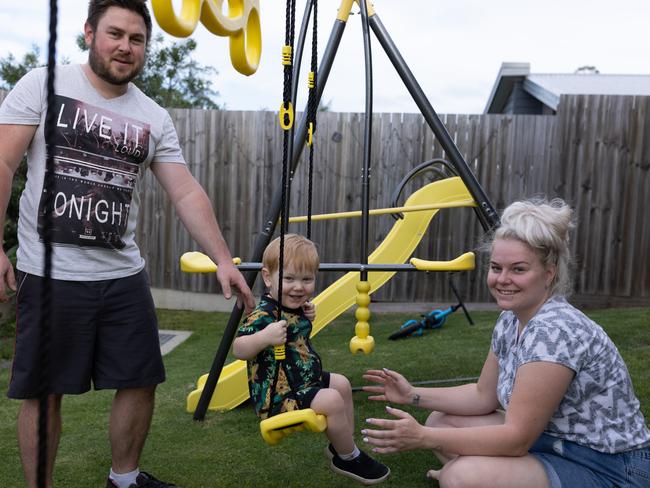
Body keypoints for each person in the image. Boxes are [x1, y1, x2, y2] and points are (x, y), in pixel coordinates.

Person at [0, 1, 255, 487]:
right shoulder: (43, 85)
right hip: (52, 274)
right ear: (89, 33)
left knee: (140, 378)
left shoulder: (152, 115)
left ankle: (125, 479)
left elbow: (183, 189)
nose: (125, 47)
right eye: (115, 34)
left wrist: (223, 258)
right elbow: (3, 163)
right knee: (44, 392)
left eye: (136, 40)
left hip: (122, 274)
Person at [361, 198, 650, 487]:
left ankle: (474, 475)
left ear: (549, 273)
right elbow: (482, 395)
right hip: (552, 441)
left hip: (611, 467)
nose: (503, 279)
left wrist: (423, 438)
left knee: (460, 477)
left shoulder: (555, 330)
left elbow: (516, 439)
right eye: (496, 267)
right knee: (441, 421)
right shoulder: (511, 319)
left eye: (518, 269)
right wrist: (412, 394)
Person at [233, 234, 390, 485]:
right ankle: (349, 456)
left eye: (307, 279)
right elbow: (239, 349)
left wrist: (307, 314)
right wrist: (263, 337)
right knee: (331, 398)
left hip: (302, 380)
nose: (299, 287)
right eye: (289, 279)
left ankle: (341, 446)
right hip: (280, 396)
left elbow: (296, 331)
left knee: (341, 384)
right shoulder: (263, 315)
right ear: (267, 277)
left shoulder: (295, 307)